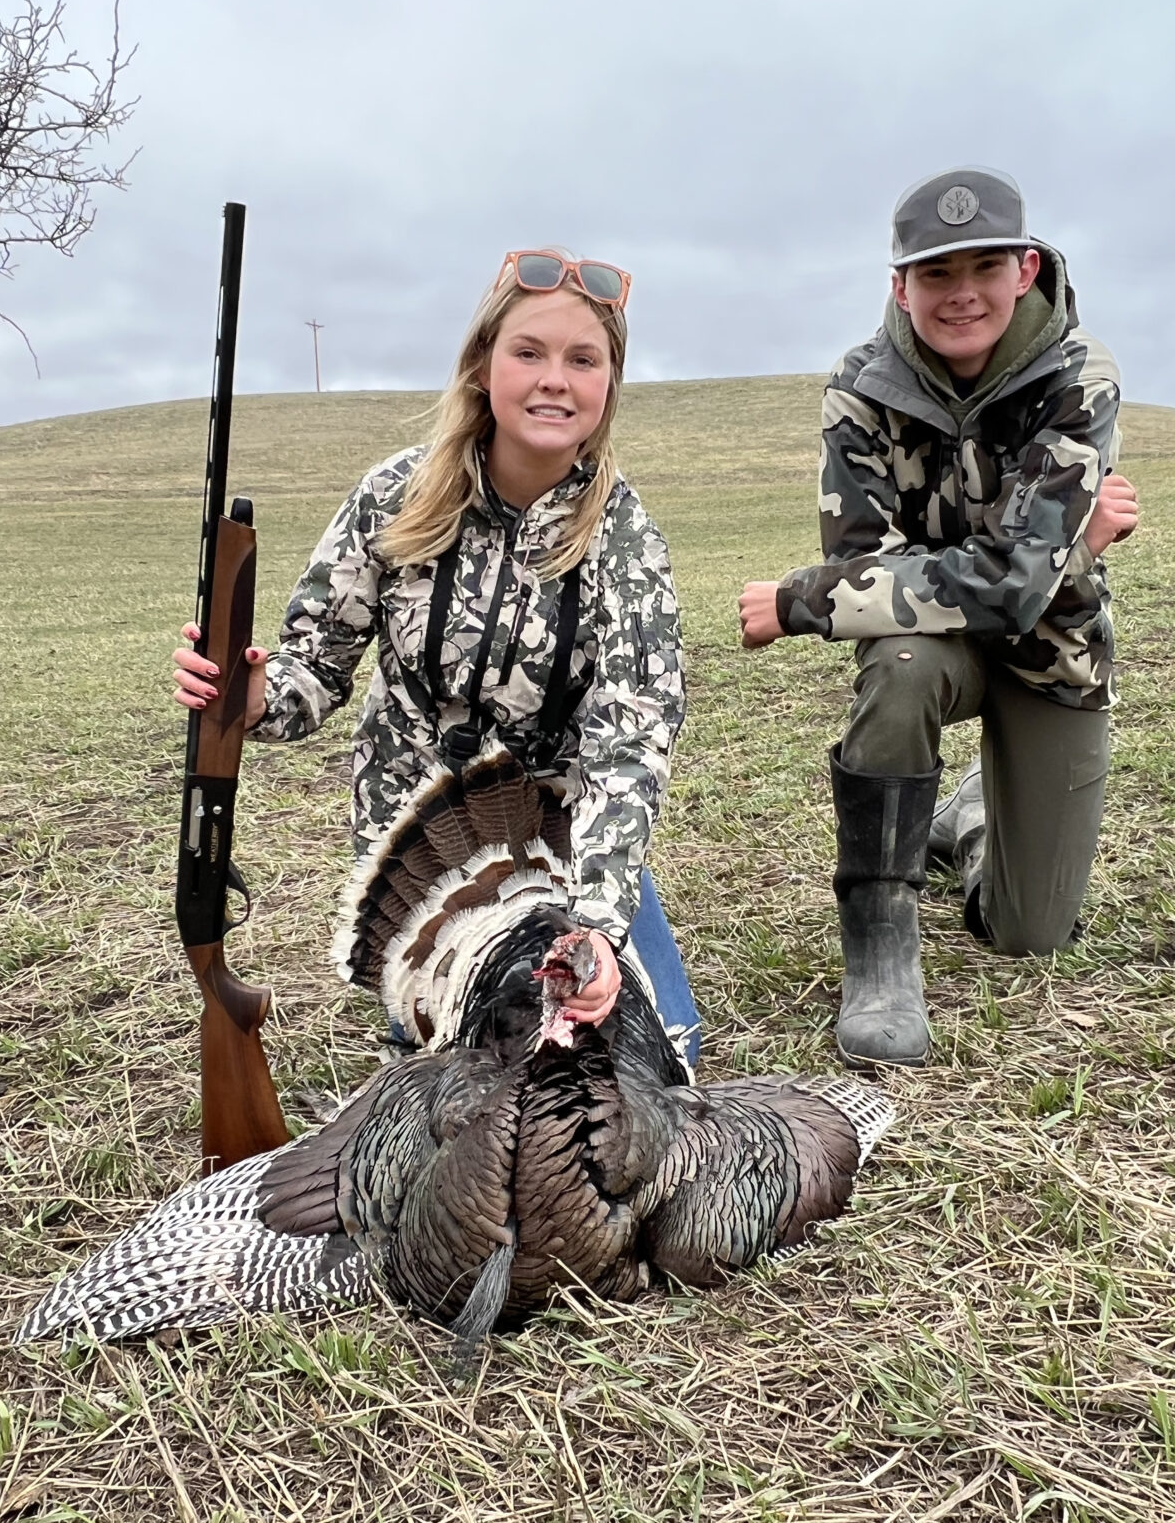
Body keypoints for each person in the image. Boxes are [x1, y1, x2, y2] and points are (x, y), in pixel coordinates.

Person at [175, 250, 696, 1064]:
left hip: (560, 847)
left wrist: (594, 924)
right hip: (416, 866)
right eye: (529, 352)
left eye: (582, 359)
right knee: (452, 1099)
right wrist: (250, 698)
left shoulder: (626, 544)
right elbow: (313, 671)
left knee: (663, 1068)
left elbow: (629, 748)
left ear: (608, 386)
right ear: (482, 367)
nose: (554, 379)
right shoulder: (395, 496)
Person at [738, 166, 1137, 1070]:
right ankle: (881, 951)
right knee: (901, 658)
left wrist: (803, 602)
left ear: (1025, 269)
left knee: (1030, 934)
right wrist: (1069, 545)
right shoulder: (859, 389)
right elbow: (865, 563)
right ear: (899, 286)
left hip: (1054, 660)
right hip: (934, 656)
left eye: (984, 267)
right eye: (934, 275)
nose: (961, 295)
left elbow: (1014, 586)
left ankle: (969, 823)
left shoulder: (1081, 376)